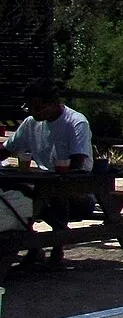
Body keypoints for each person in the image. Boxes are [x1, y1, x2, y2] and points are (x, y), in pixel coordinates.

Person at [3, 80, 95, 265]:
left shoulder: (76, 122)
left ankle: (57, 243)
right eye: (29, 108)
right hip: (42, 185)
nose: (33, 113)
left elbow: (78, 162)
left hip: (79, 190)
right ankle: (32, 243)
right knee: (13, 195)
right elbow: (7, 149)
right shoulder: (31, 124)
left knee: (51, 194)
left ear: (54, 103)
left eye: (38, 108)